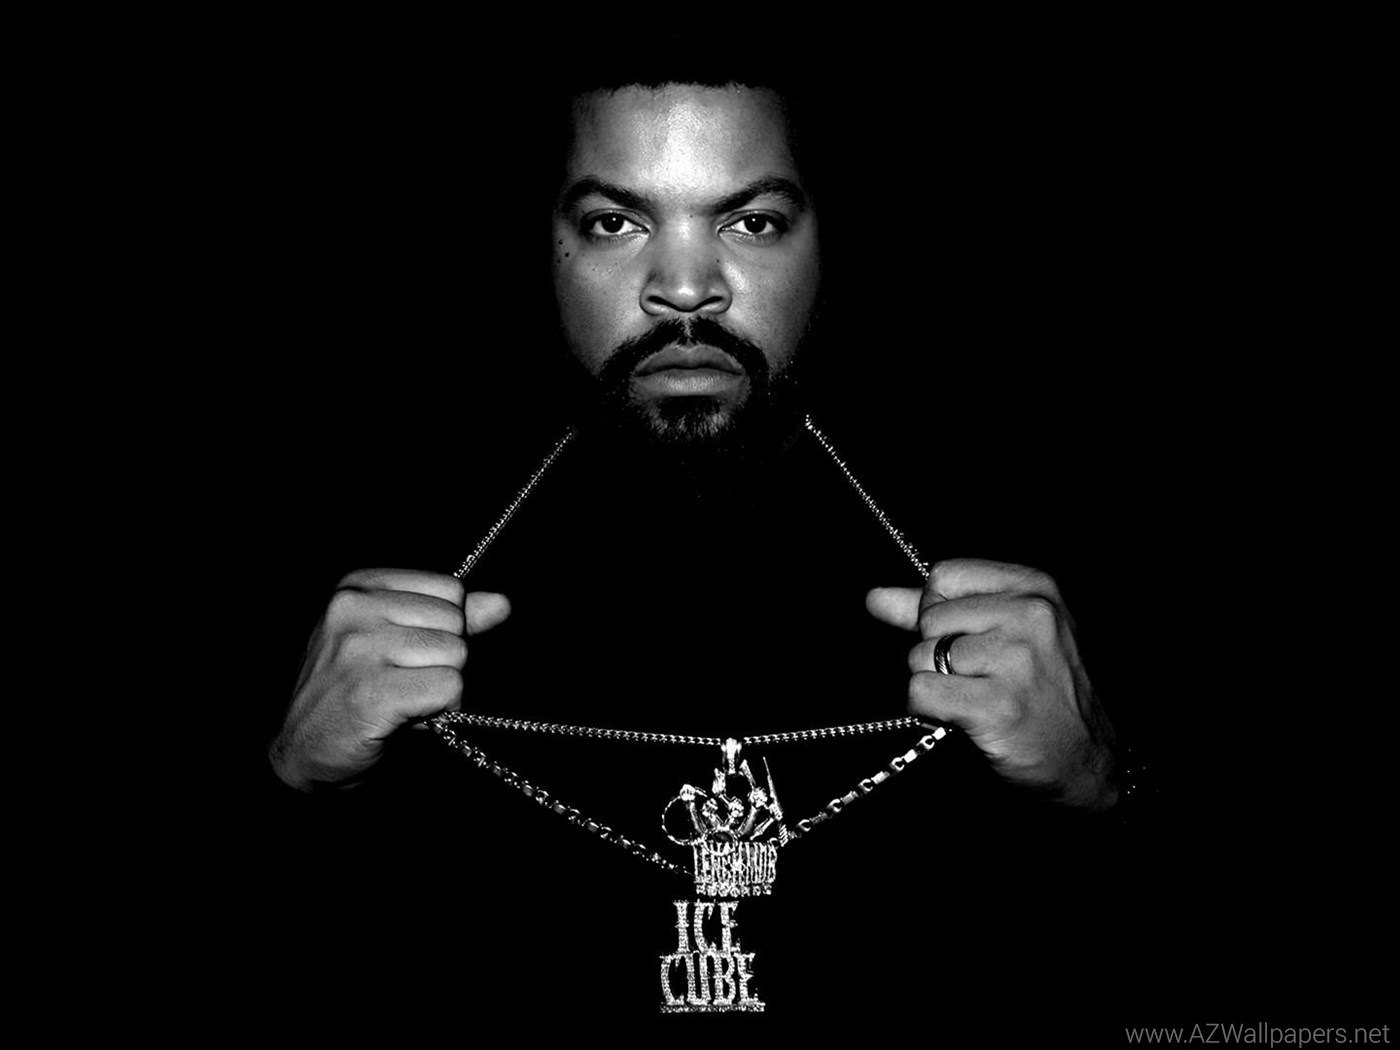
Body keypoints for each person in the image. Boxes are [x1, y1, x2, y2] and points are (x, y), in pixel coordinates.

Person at [260, 64, 1145, 1027]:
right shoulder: (357, 543)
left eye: (751, 222)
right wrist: (290, 775)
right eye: (615, 222)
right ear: (543, 242)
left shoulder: (1033, 533)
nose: (685, 289)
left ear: (826, 239)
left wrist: (1101, 784)